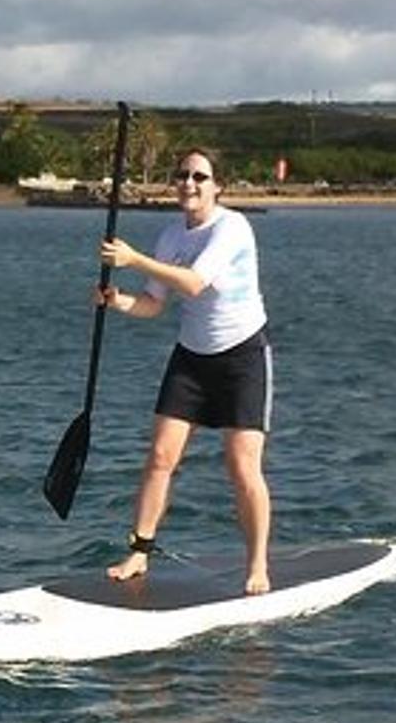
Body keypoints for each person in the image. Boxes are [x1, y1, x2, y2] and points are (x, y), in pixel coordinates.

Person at [93, 147, 274, 593]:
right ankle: (139, 552)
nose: (188, 184)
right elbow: (153, 304)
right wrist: (117, 301)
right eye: (182, 176)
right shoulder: (170, 236)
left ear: (217, 186)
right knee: (160, 457)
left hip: (242, 357)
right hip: (191, 357)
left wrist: (134, 260)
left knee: (241, 466)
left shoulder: (232, 227)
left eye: (199, 176)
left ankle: (257, 565)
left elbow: (193, 283)